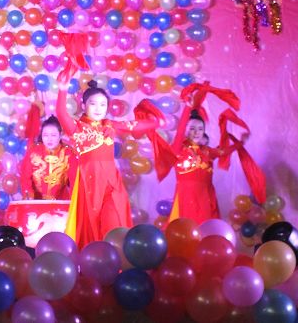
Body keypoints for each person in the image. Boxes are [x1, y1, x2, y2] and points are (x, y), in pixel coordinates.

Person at [140, 82, 266, 225]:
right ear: (186, 130)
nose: (196, 132)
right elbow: (180, 132)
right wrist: (187, 108)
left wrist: (240, 143)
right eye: (192, 128)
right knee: (187, 229)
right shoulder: (178, 149)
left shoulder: (207, 151)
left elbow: (223, 151)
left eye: (200, 129)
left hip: (207, 197)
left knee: (208, 230)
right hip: (186, 198)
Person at [55, 75, 158, 248]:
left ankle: (116, 259)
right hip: (91, 185)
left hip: (112, 185)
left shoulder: (109, 125)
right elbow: (61, 113)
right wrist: (62, 89)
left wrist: (154, 123)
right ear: (83, 105)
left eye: (103, 104)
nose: (98, 109)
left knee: (114, 226)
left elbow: (133, 125)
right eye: (93, 104)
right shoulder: (77, 128)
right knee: (92, 230)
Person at [20, 115, 77, 200]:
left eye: (53, 135)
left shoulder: (68, 153)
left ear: (60, 135)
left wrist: (73, 201)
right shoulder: (33, 151)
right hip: (36, 201)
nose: (49, 139)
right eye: (45, 135)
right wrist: (30, 197)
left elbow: (75, 181)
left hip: (61, 201)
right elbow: (25, 177)